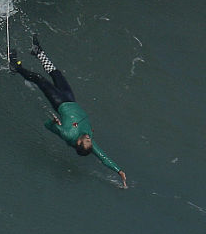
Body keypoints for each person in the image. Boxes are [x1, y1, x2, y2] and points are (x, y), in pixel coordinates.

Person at [10, 35, 128, 188]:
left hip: (60, 103)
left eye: (86, 140)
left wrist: (54, 123)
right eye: (89, 140)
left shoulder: (68, 134)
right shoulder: (88, 142)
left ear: (78, 143)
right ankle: (37, 52)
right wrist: (119, 171)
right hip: (71, 99)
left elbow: (48, 126)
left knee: (39, 78)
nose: (89, 138)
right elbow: (103, 157)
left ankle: (16, 67)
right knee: (56, 73)